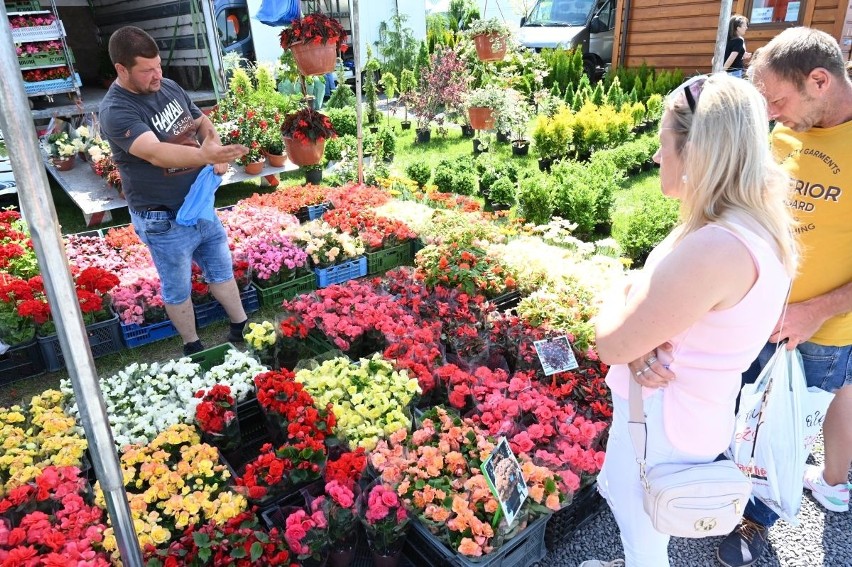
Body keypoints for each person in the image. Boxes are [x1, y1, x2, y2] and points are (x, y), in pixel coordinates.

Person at [580, 73, 799, 567]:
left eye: (663, 144)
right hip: (691, 416)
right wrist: (643, 329)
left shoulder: (715, 247)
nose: (657, 157)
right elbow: (679, 315)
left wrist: (620, 295)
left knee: (644, 535)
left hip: (661, 424)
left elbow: (610, 343)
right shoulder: (749, 228)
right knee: (643, 518)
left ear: (697, 150)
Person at [713, 27, 852, 567]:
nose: (770, 113)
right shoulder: (783, 133)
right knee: (738, 413)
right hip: (750, 316)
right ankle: (721, 496)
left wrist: (814, 309)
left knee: (781, 433)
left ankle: (754, 522)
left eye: (778, 99)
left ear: (819, 80)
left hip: (820, 333)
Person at [99, 26, 250, 356]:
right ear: (121, 69)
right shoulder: (116, 110)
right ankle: (192, 345)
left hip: (199, 202)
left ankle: (241, 325)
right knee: (177, 286)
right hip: (162, 217)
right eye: (147, 70)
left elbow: (200, 122)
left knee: (221, 268)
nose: (157, 75)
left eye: (159, 66)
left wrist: (214, 144)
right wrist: (204, 155)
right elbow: (155, 152)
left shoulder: (168, 86)